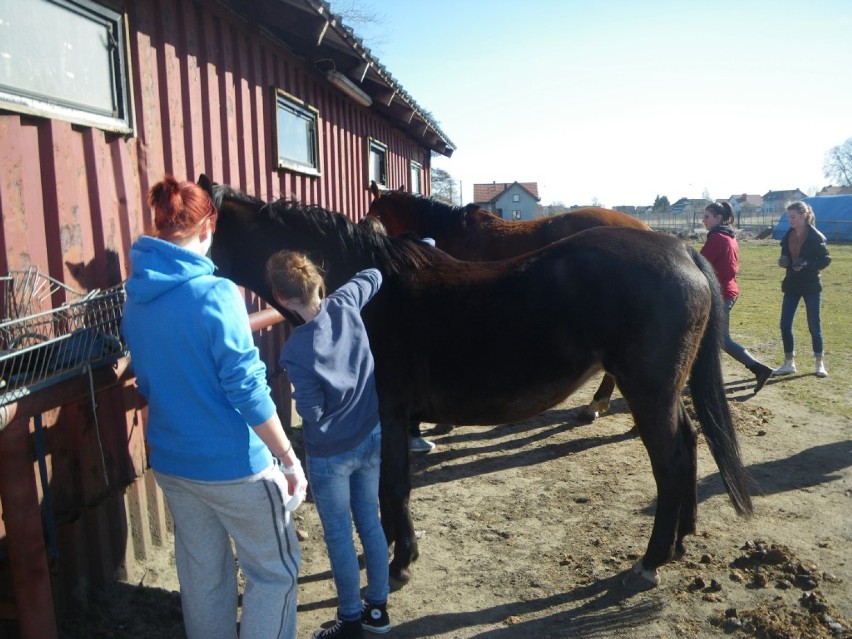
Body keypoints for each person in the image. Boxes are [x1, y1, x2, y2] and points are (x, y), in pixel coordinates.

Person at [121, 176, 305, 639]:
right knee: (274, 572)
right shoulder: (216, 293)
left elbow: (149, 377)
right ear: (210, 226)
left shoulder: (136, 299)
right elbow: (246, 386)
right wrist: (287, 456)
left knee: (203, 577)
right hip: (234, 468)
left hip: (173, 464)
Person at [266, 251, 391, 639]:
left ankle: (350, 619)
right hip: (371, 437)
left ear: (282, 300)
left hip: (330, 456)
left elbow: (313, 414)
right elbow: (373, 273)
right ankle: (378, 611)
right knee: (370, 521)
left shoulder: (296, 351)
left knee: (339, 534)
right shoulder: (347, 301)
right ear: (318, 281)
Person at [360, 216, 436, 453]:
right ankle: (410, 434)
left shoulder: (356, 265)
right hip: (393, 336)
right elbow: (429, 243)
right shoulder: (390, 261)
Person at [700, 202, 774, 394]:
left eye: (707, 216)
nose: (703, 220)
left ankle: (759, 369)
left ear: (718, 217)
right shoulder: (728, 236)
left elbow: (700, 263)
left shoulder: (718, 238)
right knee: (711, 337)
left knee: (721, 339)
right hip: (726, 291)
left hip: (721, 294)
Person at [772, 200, 831, 378]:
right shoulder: (788, 235)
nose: (790, 220)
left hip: (811, 286)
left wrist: (807, 263)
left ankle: (819, 363)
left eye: (793, 217)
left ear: (803, 216)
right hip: (792, 284)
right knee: (785, 324)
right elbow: (785, 254)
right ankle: (789, 363)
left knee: (814, 325)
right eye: (789, 217)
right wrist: (785, 261)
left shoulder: (816, 237)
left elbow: (825, 260)